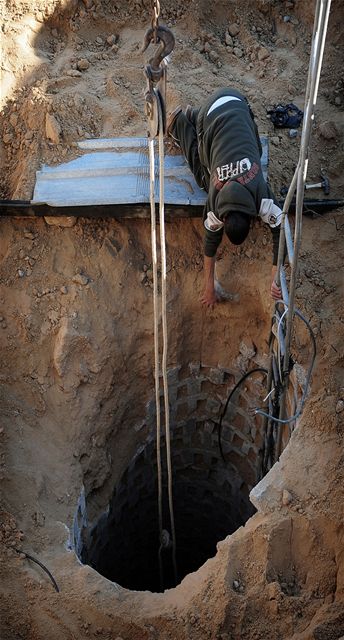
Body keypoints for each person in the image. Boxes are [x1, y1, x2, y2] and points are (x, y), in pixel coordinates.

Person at [166, 87, 282, 307]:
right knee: (203, 177)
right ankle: (183, 121)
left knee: (250, 152)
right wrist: (210, 287)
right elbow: (211, 243)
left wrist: (275, 277)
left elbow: (280, 230)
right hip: (224, 108)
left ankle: (187, 117)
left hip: (238, 102)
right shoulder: (217, 195)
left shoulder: (253, 193)